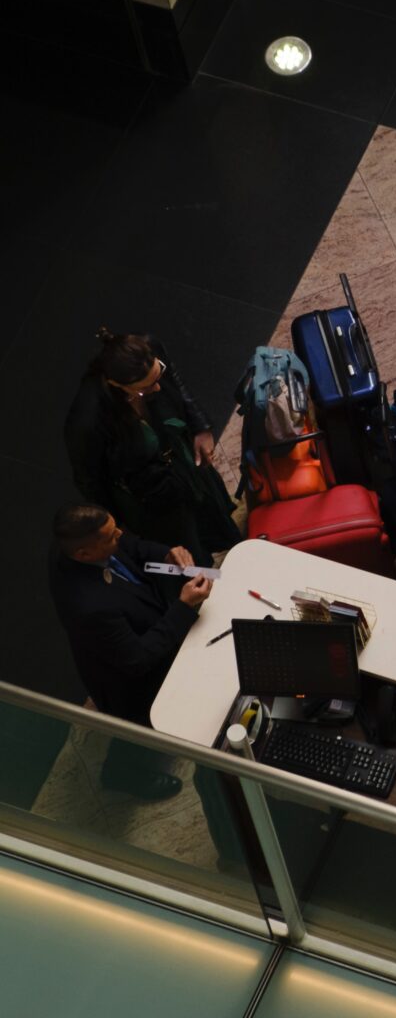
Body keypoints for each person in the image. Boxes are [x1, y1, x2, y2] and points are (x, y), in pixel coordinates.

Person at [49, 503, 213, 800]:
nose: (120, 536)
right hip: (125, 679)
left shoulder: (85, 542)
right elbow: (136, 659)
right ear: (84, 554)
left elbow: (133, 545)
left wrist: (165, 553)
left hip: (138, 628)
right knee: (136, 729)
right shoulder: (89, 606)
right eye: (111, 536)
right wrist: (183, 607)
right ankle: (122, 775)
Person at [65, 327, 241, 567]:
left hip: (180, 457)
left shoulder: (149, 348)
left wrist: (201, 427)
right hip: (150, 488)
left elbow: (177, 385)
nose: (157, 389)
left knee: (209, 513)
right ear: (116, 384)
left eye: (158, 377)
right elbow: (89, 479)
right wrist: (116, 522)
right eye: (145, 388)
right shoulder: (88, 419)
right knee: (185, 544)